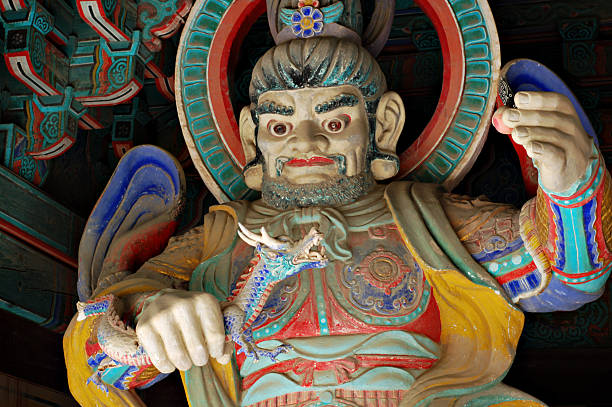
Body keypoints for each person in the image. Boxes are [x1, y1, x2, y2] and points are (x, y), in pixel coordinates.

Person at [64, 34, 610, 407]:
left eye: (335, 119)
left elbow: (561, 275)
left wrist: (571, 184)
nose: (305, 142)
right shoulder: (218, 240)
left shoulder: (427, 220)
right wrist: (146, 313)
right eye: (280, 128)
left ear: (384, 126)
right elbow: (95, 360)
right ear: (252, 135)